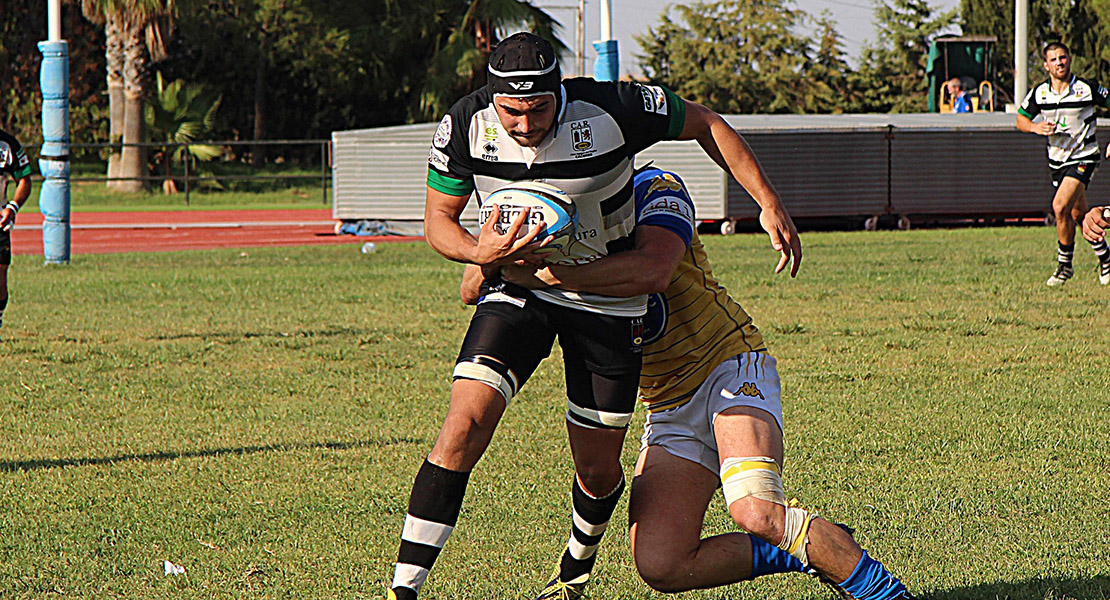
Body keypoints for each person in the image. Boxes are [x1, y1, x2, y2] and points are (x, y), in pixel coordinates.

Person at [388, 32, 801, 600]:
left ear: (560, 92)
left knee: (599, 469)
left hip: (608, 301)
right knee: (464, 422)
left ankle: (574, 573)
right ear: (491, 100)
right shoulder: (463, 126)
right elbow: (438, 221)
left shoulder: (611, 109)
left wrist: (767, 200)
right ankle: (403, 589)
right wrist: (478, 252)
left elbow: (705, 122)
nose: (526, 124)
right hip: (524, 288)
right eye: (511, 111)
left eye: (538, 109)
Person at [464, 166, 915, 600]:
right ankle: (811, 551)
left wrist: (546, 274)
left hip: (729, 369)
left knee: (755, 510)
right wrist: (499, 253)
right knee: (662, 563)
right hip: (667, 405)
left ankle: (885, 594)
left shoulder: (654, 188)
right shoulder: (548, 218)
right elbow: (469, 284)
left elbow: (653, 271)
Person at [1016, 41, 1110, 287]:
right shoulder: (1039, 93)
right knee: (1079, 214)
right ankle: (1106, 258)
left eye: (1063, 57)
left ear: (1069, 60)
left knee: (1059, 206)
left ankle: (1064, 266)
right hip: (1057, 160)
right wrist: (1036, 127)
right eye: (1054, 59)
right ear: (1046, 65)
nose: (1060, 62)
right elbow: (1020, 119)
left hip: (1084, 156)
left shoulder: (1087, 88)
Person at [0, 128, 34, 329]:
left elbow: (24, 180)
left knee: (1, 274)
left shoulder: (8, 144)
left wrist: (12, 207)